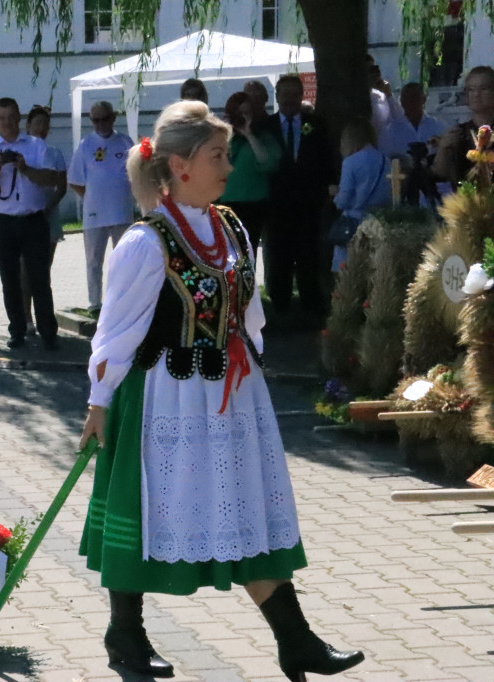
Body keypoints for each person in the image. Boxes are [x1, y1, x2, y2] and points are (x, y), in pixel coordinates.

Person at [77, 100, 366, 680]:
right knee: (150, 509)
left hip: (231, 395)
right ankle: (124, 636)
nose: (229, 166)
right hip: (165, 395)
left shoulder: (230, 225)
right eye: (217, 155)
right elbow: (114, 334)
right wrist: (99, 404)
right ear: (180, 165)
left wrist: (250, 366)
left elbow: (248, 311)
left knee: (246, 509)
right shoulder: (145, 241)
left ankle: (296, 640)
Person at [0, 97, 60, 350]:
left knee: (39, 278)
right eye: (1, 118)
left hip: (33, 220)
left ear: (19, 118)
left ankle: (48, 332)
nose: (7, 123)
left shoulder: (36, 146)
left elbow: (51, 179)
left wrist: (26, 168)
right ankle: (17, 330)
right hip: (2, 222)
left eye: (11, 117)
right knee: (9, 280)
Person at [265, 74, 336, 316]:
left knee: (309, 256)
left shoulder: (315, 124)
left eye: (295, 94)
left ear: (302, 95)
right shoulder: (267, 126)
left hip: (309, 204)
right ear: (277, 96)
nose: (290, 99)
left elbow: (326, 158)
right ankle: (279, 307)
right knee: (278, 258)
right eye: (285, 94)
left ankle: (311, 308)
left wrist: (328, 187)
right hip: (277, 205)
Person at [67, 102, 134, 313]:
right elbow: (75, 180)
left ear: (113, 117)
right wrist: (92, 198)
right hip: (95, 215)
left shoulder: (125, 142)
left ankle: (123, 300)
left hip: (122, 212)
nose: (101, 124)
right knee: (94, 261)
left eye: (105, 118)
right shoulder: (85, 145)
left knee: (124, 260)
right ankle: (95, 303)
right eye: (96, 120)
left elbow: (136, 175)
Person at [21, 105, 67, 336]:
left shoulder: (54, 153)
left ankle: (44, 317)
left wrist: (48, 208)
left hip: (48, 215)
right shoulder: (22, 152)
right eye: (36, 123)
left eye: (45, 124)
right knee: (24, 269)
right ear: (28, 126)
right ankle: (25, 317)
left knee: (43, 269)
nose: (41, 128)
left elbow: (61, 186)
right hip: (25, 216)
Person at [220, 91, 281, 253]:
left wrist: (249, 135)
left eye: (247, 113)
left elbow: (267, 163)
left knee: (248, 251)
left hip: (253, 205)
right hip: (225, 203)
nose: (243, 117)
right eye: (239, 113)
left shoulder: (263, 137)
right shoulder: (222, 137)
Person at [331, 118, 391, 271]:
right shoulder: (386, 161)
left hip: (352, 224)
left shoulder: (350, 162)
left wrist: (335, 195)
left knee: (348, 275)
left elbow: (343, 201)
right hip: (377, 224)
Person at [434, 65, 494, 185]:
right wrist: (443, 149)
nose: (476, 94)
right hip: (465, 200)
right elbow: (440, 174)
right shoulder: (458, 134)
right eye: (471, 89)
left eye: (483, 88)